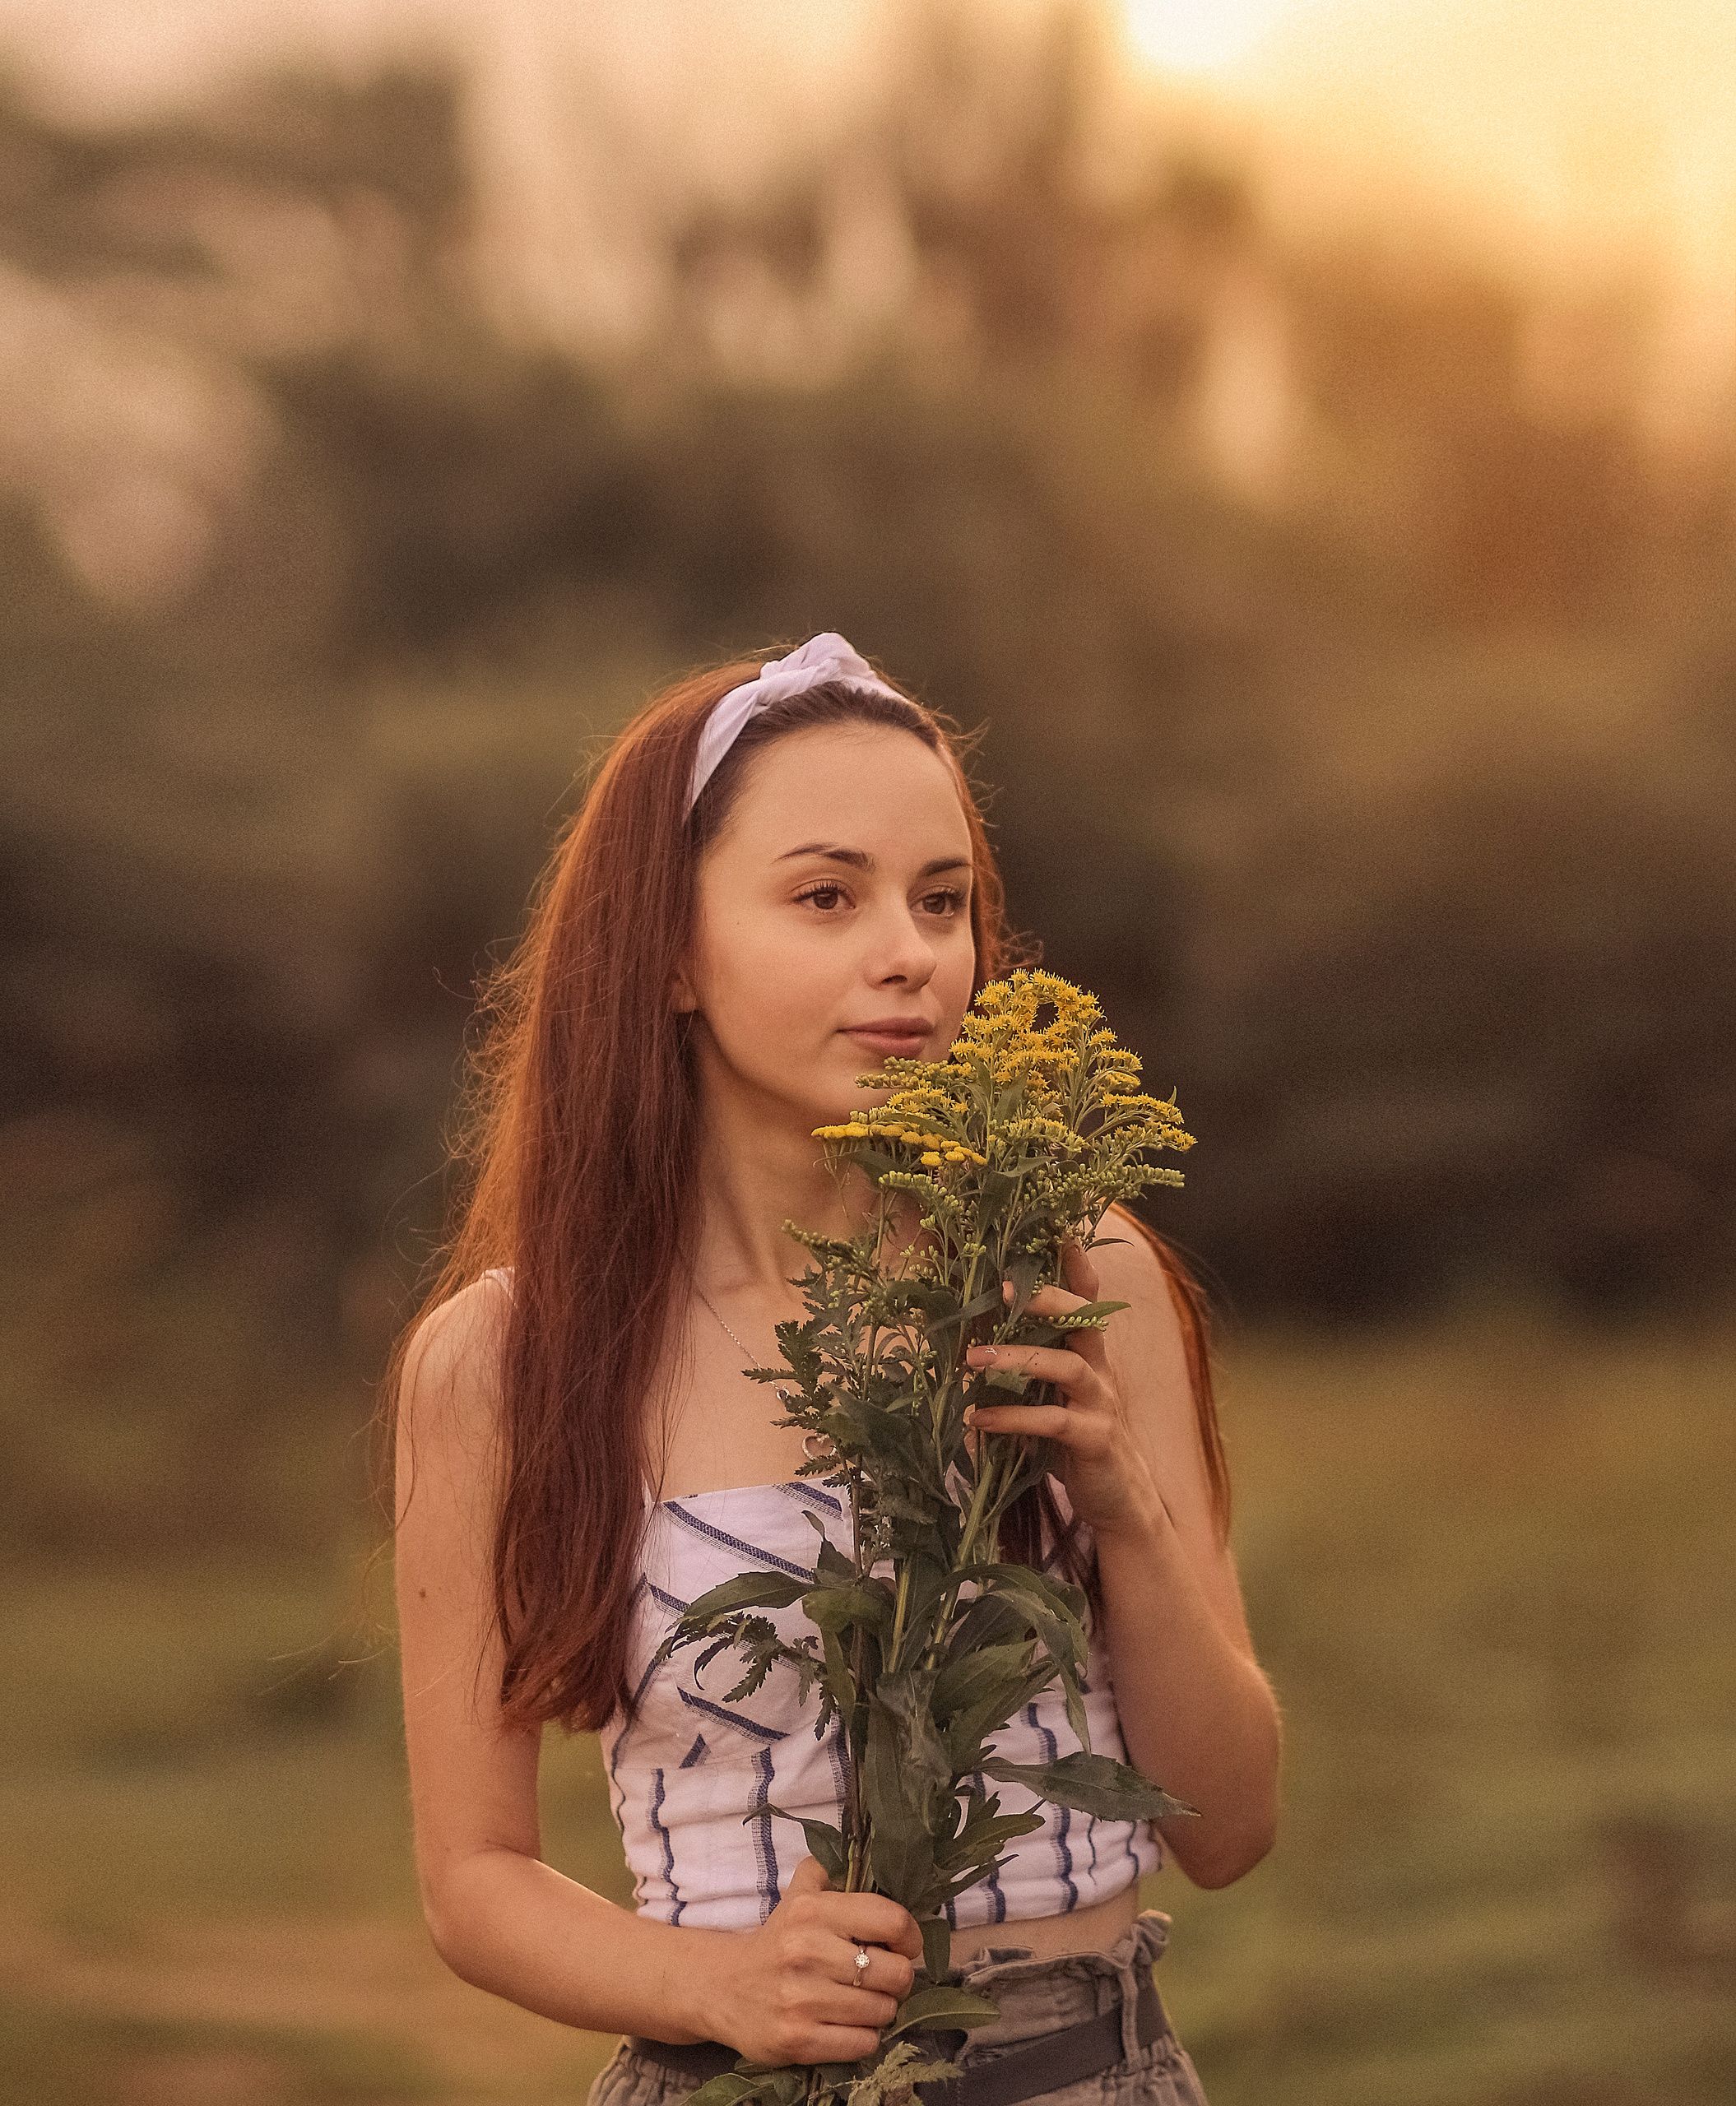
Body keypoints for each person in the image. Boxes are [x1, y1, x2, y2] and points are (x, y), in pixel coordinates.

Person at [392, 635, 1280, 2106]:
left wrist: (1115, 1505)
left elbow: (1230, 1824)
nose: (910, 955)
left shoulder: (1073, 1270)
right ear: (668, 954)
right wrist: (710, 1982)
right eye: (826, 896)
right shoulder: (505, 1359)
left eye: (943, 902)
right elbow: (472, 1879)